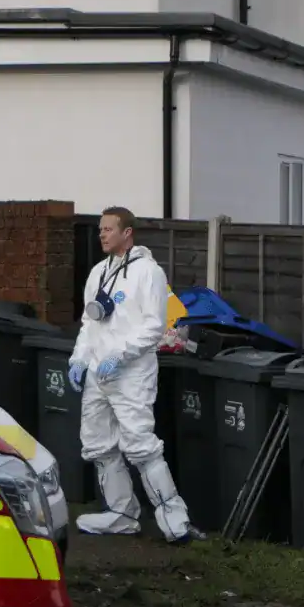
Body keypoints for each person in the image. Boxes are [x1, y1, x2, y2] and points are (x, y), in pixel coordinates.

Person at [68, 206, 204, 544]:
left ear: (128, 232)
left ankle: (176, 522)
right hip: (99, 373)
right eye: (100, 229)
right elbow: (90, 323)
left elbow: (154, 327)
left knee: (141, 446)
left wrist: (120, 355)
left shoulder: (148, 273)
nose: (101, 234)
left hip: (131, 375)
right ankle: (122, 514)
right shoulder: (98, 272)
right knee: (99, 444)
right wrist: (80, 358)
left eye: (109, 229)